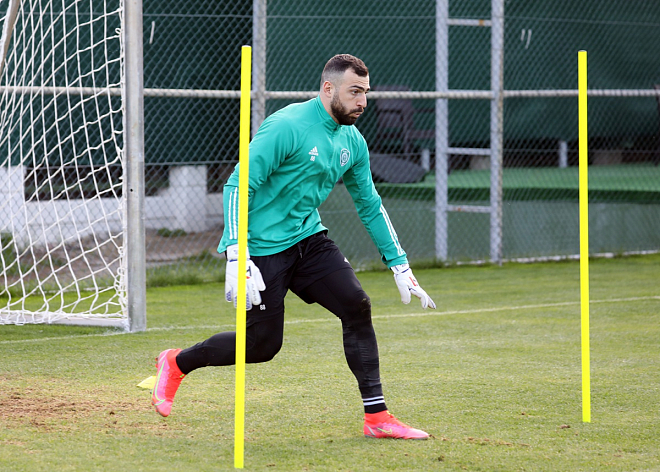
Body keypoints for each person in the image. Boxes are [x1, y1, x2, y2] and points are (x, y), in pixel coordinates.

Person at [151, 54, 436, 440]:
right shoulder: (287, 125)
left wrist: (399, 264)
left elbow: (369, 204)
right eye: (354, 92)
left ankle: (377, 417)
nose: (363, 102)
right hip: (261, 247)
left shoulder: (353, 141)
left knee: (356, 305)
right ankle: (176, 363)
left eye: (366, 92)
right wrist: (236, 251)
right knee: (262, 346)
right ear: (328, 88)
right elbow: (238, 185)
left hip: (309, 238)